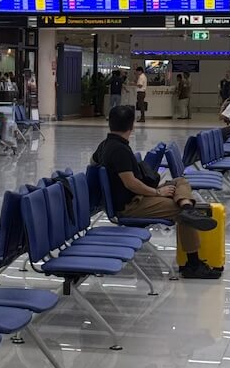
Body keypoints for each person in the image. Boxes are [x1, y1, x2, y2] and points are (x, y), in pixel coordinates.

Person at [92, 105, 219, 280]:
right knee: (179, 211)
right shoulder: (119, 150)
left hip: (135, 197)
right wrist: (157, 193)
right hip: (131, 205)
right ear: (132, 126)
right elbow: (131, 183)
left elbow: (93, 164)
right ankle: (193, 264)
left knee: (180, 181)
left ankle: (187, 206)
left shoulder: (105, 145)